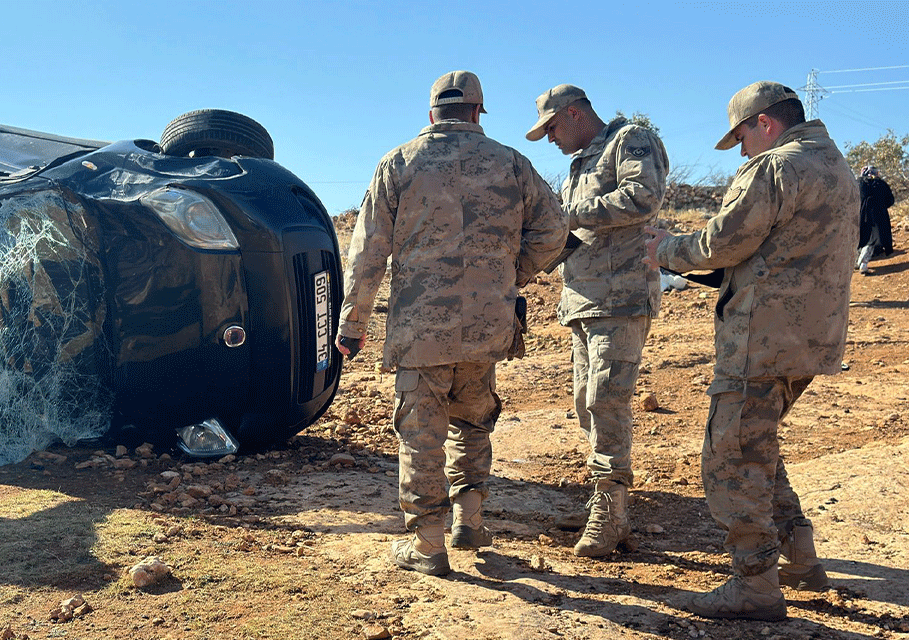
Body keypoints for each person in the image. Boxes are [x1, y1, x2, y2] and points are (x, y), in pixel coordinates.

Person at [337, 71, 567, 576]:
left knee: (422, 433)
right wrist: (508, 275)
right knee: (474, 420)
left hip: (422, 328)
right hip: (489, 323)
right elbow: (554, 230)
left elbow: (368, 252)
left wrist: (352, 322)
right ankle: (470, 519)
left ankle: (428, 545)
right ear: (479, 113)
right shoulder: (512, 163)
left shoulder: (398, 162)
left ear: (431, 114)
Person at [645, 81, 857, 621]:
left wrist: (663, 251)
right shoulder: (837, 166)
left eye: (741, 136)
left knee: (731, 458)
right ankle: (800, 559)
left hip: (761, 340)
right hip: (811, 337)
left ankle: (755, 586)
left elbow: (723, 243)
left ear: (765, 123)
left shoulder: (775, 167)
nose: (741, 150)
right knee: (757, 444)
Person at [525, 84, 669, 557]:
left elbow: (642, 197)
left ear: (572, 115)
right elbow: (575, 233)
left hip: (621, 297)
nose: (549, 139)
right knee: (586, 403)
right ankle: (607, 504)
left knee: (607, 402)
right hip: (583, 302)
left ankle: (610, 513)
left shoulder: (629, 140)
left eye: (551, 128)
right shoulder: (579, 163)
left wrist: (568, 214)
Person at [856, 166, 895, 274]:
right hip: (879, 216)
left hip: (862, 215)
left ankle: (858, 262)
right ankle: (862, 264)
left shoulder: (859, 182)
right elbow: (890, 200)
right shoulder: (881, 183)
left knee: (862, 238)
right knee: (872, 239)